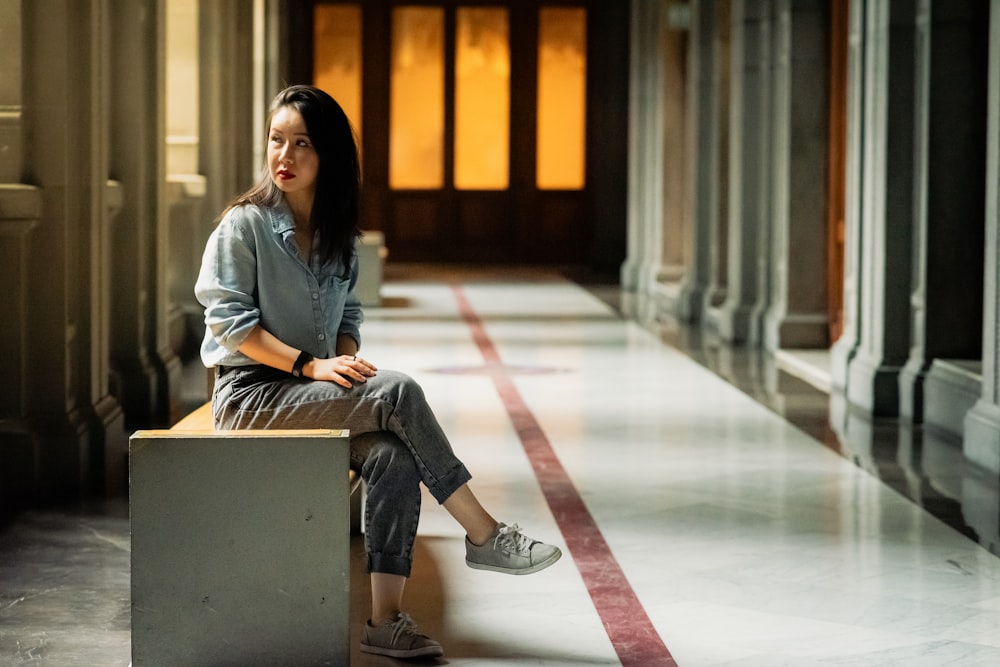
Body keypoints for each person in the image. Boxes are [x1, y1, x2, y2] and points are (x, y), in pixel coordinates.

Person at [194, 84, 562, 660]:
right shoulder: (244, 226)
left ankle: (384, 620)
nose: (284, 157)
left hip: (308, 389)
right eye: (276, 141)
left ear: (331, 156)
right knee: (399, 390)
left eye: (302, 144)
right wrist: (312, 365)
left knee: (393, 455)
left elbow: (351, 312)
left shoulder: (337, 234)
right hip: (250, 396)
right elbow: (230, 325)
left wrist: (341, 357)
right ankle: (483, 533)